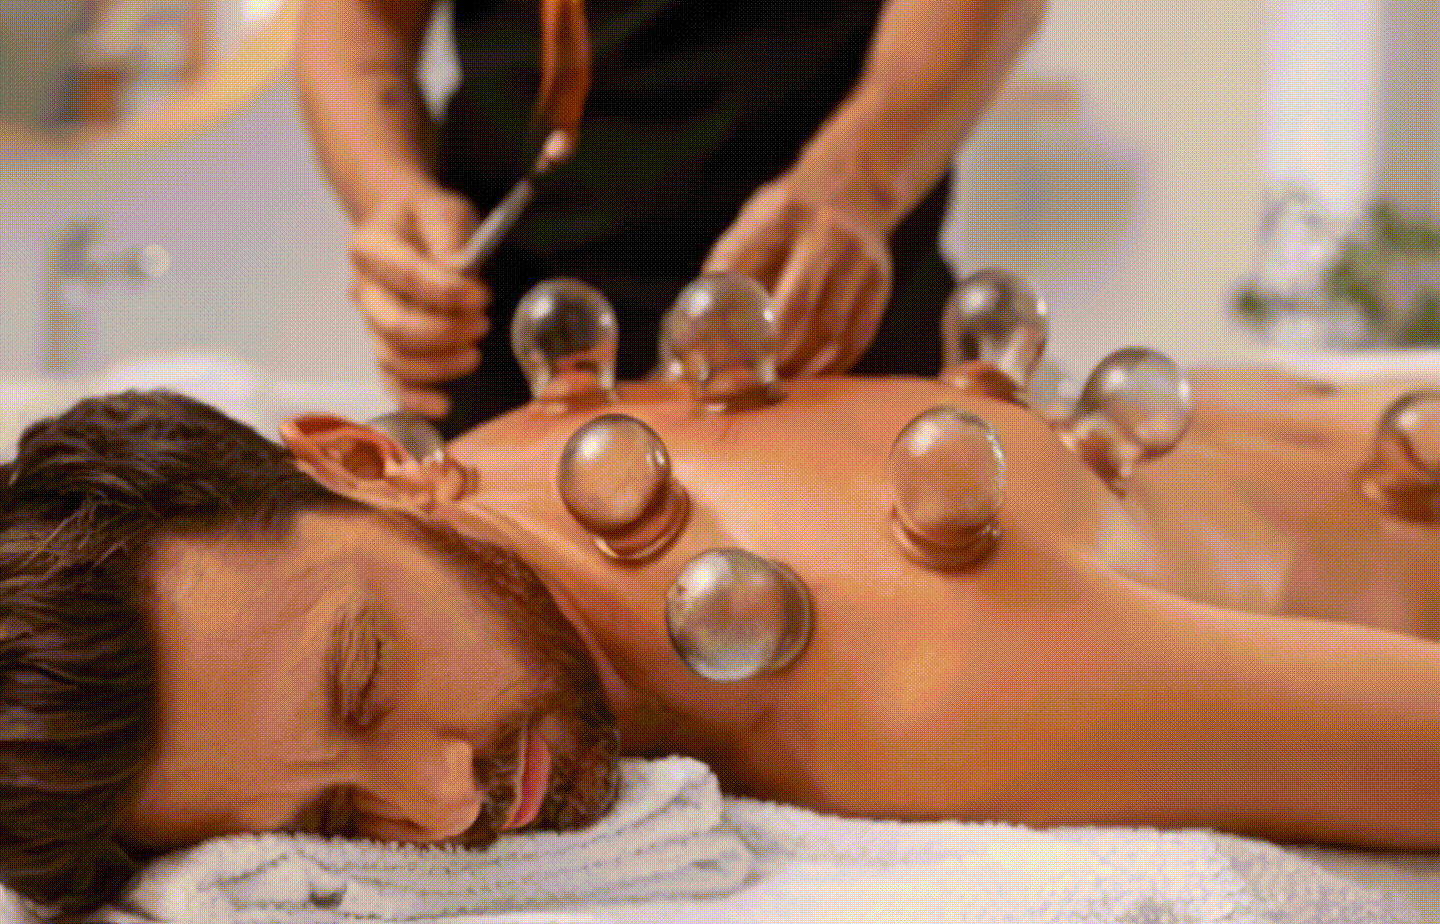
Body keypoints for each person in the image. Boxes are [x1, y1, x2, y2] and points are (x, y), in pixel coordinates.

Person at [4, 364, 1440, 916]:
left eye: (367, 682)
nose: (440, 808)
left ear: (363, 461)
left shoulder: (921, 688)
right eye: (333, 819)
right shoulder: (493, 478)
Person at [296, 0, 1062, 436]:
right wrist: (392, 199)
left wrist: (859, 183)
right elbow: (355, 17)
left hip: (837, 359)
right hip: (514, 385)